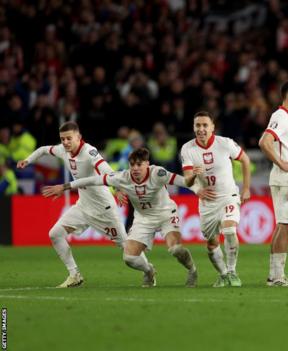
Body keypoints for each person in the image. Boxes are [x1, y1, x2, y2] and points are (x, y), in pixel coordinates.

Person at [42, 148, 198, 287]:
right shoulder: (122, 177)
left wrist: (197, 185)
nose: (135, 169)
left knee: (175, 249)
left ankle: (192, 270)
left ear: (147, 164)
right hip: (143, 219)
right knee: (129, 258)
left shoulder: (158, 173)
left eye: (139, 164)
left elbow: (183, 181)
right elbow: (92, 180)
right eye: (132, 165)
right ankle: (149, 271)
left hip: (165, 214)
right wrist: (64, 187)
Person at [17, 121, 132, 287]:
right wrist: (27, 160)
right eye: (62, 139)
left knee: (128, 252)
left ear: (78, 137)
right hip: (83, 206)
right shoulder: (63, 150)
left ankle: (148, 271)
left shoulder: (90, 152)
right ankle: (74, 275)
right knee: (55, 234)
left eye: (68, 138)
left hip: (103, 209)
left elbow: (107, 170)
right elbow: (43, 150)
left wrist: (118, 187)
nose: (65, 142)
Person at [181, 111, 251, 287]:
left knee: (229, 230)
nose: (201, 129)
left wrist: (246, 188)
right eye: (198, 125)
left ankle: (232, 271)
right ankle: (223, 274)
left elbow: (245, 160)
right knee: (212, 244)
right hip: (207, 203)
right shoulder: (187, 149)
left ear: (212, 127)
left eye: (205, 125)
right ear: (193, 127)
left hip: (228, 196)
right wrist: (196, 187)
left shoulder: (225, 143)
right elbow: (187, 179)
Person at [258, 79, 288, 287]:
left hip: (285, 179)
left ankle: (273, 275)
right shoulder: (281, 117)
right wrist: (282, 164)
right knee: (286, 226)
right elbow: (264, 142)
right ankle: (278, 278)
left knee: (282, 225)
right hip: (286, 179)